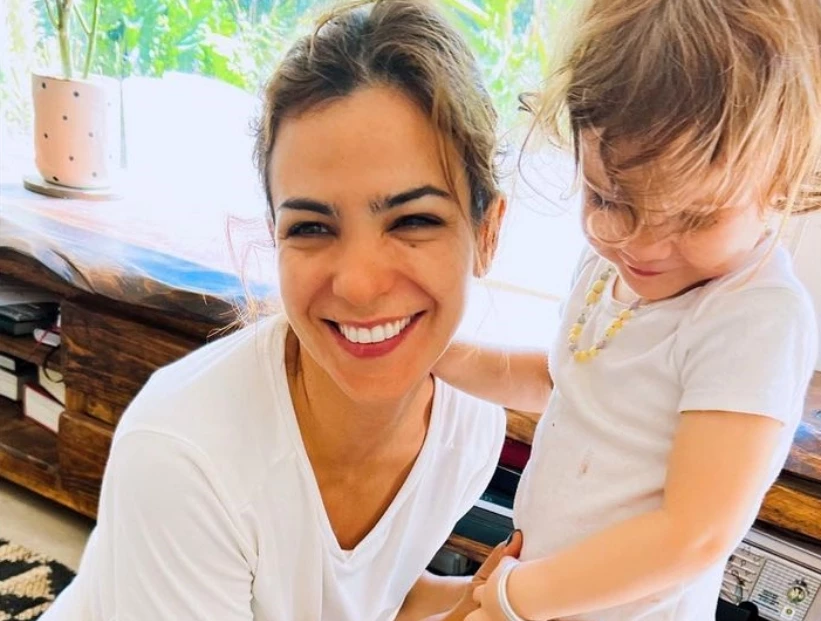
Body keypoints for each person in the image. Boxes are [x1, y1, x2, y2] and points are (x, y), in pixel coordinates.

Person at [41, 1, 519, 619]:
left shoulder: (469, 429)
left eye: (413, 220)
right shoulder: (185, 454)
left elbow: (372, 594)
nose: (359, 284)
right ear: (275, 235)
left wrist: (497, 597)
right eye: (312, 227)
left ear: (487, 233)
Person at [435, 1, 821, 619]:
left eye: (692, 218)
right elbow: (567, 383)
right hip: (547, 594)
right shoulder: (612, 265)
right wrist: (440, 356)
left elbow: (693, 534)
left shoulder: (754, 318)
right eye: (608, 198)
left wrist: (515, 597)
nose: (639, 243)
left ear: (779, 181)